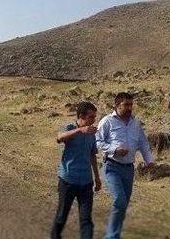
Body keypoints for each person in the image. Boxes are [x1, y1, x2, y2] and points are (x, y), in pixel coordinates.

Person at [95, 92, 155, 239]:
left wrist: (150, 161)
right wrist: (114, 150)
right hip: (111, 167)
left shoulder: (135, 123)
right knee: (119, 201)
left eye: (131, 105)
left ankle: (114, 233)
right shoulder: (107, 121)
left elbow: (143, 143)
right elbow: (97, 142)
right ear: (116, 105)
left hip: (129, 170)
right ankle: (111, 236)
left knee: (122, 206)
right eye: (126, 105)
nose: (129, 108)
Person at [50, 101, 101, 239]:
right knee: (61, 216)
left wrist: (97, 178)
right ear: (80, 116)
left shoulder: (91, 133)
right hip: (68, 181)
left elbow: (92, 155)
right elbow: (59, 137)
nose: (94, 120)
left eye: (94, 117)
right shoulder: (70, 127)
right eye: (91, 117)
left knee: (86, 221)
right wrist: (79, 130)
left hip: (86, 182)